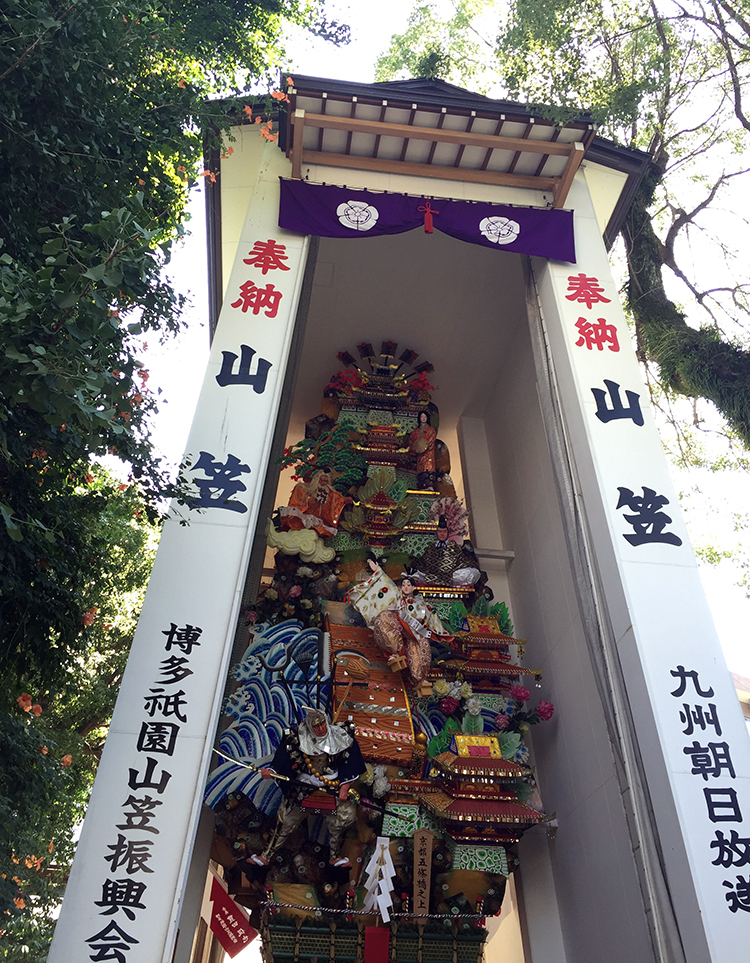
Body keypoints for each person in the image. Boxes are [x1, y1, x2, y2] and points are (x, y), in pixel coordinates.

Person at [250, 707, 366, 868]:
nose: (320, 729)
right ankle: (266, 855)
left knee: (344, 817)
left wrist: (345, 787)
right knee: (285, 818)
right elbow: (282, 759)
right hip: (302, 788)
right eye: (316, 726)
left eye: (322, 724)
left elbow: (351, 761)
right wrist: (272, 771)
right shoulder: (295, 738)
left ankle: (335, 857)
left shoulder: (341, 735)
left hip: (331, 787)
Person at [347, 559, 451, 683]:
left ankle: (420, 678)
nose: (406, 587)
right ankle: (395, 652)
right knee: (382, 618)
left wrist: (439, 632)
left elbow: (430, 616)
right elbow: (387, 584)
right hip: (397, 626)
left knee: (421, 647)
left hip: (414, 632)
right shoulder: (397, 595)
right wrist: (378, 571)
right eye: (404, 585)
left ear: (413, 587)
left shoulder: (421, 603)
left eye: (409, 585)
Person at [279, 467, 352, 538]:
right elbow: (295, 503)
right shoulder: (303, 489)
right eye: (322, 480)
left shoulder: (330, 493)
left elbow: (337, 499)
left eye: (325, 481)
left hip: (319, 523)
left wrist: (344, 500)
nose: (323, 483)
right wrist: (310, 502)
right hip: (303, 519)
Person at [416, 515, 481, 587]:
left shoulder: (453, 546)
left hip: (452, 575)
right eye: (440, 531)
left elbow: (462, 561)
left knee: (470, 573)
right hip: (431, 574)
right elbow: (422, 562)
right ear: (436, 533)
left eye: (444, 531)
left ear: (448, 533)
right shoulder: (431, 547)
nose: (442, 534)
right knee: (414, 573)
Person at [409, 411, 437, 489]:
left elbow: (431, 440)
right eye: (422, 417)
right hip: (419, 454)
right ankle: (422, 485)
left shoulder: (431, 430)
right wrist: (416, 449)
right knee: (420, 470)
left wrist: (425, 446)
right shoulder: (415, 431)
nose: (423, 418)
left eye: (425, 417)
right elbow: (412, 442)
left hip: (428, 453)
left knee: (429, 468)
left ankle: (430, 485)